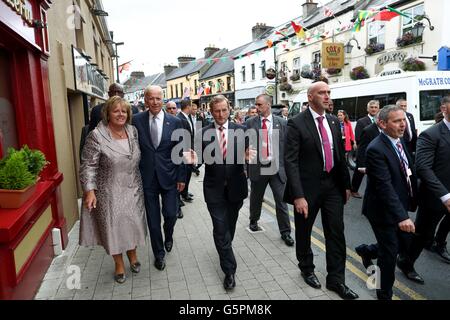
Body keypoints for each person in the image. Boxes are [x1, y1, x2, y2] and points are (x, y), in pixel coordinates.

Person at [284, 81, 358, 300]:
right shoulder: (296, 123)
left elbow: (339, 157)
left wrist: (346, 185)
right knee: (304, 231)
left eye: (328, 92)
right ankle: (307, 268)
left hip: (332, 186)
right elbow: (291, 161)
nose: (327, 96)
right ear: (310, 97)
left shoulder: (334, 121)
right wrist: (298, 195)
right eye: (322, 93)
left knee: (336, 232)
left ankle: (336, 280)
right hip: (307, 189)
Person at [79, 96, 147, 284]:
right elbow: (88, 166)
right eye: (116, 111)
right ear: (107, 113)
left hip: (133, 187)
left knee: (132, 224)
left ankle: (133, 255)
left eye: (124, 111)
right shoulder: (96, 135)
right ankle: (118, 264)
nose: (120, 114)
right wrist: (90, 190)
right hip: (109, 191)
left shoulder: (132, 131)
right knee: (113, 228)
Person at [362, 105, 419, 300]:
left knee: (396, 246)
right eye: (397, 121)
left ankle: (366, 250)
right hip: (381, 210)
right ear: (382, 123)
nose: (403, 124)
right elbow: (384, 186)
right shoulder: (376, 149)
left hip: (399, 205)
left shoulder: (400, 140)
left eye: (403, 120)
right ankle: (383, 293)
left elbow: (408, 172)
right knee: (388, 255)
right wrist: (402, 216)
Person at [200, 95, 252, 290]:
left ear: (229, 110)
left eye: (224, 110)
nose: (220, 114)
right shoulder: (203, 133)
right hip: (213, 190)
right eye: (217, 111)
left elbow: (250, 154)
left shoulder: (242, 130)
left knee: (229, 226)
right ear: (211, 112)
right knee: (221, 229)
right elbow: (198, 159)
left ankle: (224, 247)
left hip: (236, 189)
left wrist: (250, 157)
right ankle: (229, 270)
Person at [132, 85, 186, 271]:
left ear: (163, 99)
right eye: (150, 98)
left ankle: (168, 235)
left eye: (157, 98)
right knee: (153, 221)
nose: (154, 102)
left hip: (170, 177)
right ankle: (159, 254)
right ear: (145, 100)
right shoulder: (136, 121)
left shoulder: (175, 121)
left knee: (171, 214)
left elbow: (180, 152)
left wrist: (181, 177)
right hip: (147, 179)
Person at [400, 96, 450, 273]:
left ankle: (439, 244)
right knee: (422, 235)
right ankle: (406, 262)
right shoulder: (431, 134)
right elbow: (423, 168)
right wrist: (445, 195)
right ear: (444, 108)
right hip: (436, 197)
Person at [246, 94, 294, 246]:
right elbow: (244, 147)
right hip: (258, 168)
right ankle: (253, 220)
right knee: (256, 198)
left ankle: (285, 232)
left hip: (276, 169)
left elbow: (287, 147)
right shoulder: (250, 123)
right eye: (256, 105)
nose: (256, 107)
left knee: (281, 201)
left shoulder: (282, 123)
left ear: (268, 105)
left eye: (259, 105)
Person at [351, 100, 380, 198]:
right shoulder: (361, 121)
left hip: (377, 152)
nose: (373, 109)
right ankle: (354, 190)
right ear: (368, 109)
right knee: (359, 172)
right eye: (371, 107)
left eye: (376, 107)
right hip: (364, 151)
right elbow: (358, 138)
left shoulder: (381, 121)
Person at [165, 101, 184, 219]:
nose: (172, 110)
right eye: (169, 109)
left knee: (177, 188)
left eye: (174, 108)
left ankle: (178, 208)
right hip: (166, 164)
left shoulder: (179, 122)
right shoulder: (163, 123)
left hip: (178, 162)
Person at [177, 100, 195, 203]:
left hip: (189, 150)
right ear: (188, 106)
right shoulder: (180, 118)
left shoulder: (188, 117)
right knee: (184, 174)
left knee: (188, 173)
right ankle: (180, 195)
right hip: (184, 151)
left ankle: (185, 192)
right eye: (191, 106)